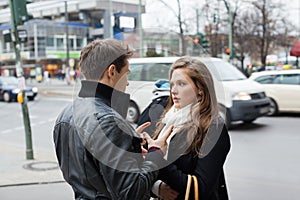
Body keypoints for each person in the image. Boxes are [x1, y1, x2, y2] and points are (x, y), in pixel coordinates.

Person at [53, 38, 172, 200]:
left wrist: (131, 146)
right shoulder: (109, 121)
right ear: (112, 71)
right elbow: (131, 192)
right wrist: (155, 152)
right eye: (126, 74)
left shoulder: (66, 114)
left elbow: (89, 173)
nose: (128, 82)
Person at [144, 56, 231, 200]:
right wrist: (157, 188)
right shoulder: (169, 118)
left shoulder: (213, 128)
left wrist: (156, 156)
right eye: (172, 84)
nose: (174, 90)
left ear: (200, 89)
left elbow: (200, 188)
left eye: (181, 84)